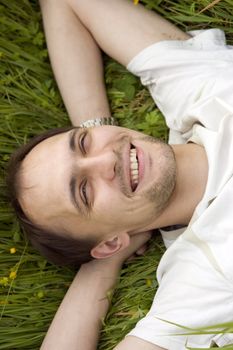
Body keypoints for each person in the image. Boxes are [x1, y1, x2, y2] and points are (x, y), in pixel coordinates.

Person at [6, 0, 233, 349]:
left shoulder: (194, 87)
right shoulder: (204, 272)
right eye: (84, 191)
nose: (104, 162)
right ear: (111, 240)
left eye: (82, 144)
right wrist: (101, 268)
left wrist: (98, 129)